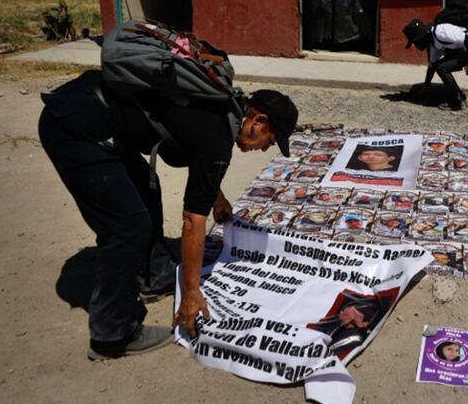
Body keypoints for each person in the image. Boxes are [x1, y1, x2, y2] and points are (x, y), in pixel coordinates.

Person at [38, 70, 297, 360]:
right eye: (270, 141)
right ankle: (112, 334)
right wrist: (190, 295)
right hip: (74, 126)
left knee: (147, 190)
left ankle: (149, 274)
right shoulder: (218, 135)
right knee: (127, 226)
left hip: (97, 114)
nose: (264, 148)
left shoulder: (224, 108)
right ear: (258, 121)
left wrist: (217, 197)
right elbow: (192, 219)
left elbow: (200, 155)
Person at [403, 17, 468, 111]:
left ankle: (457, 101)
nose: (417, 46)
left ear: (421, 37)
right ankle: (458, 97)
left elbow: (467, 39)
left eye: (415, 42)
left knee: (442, 68)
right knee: (440, 66)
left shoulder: (440, 32)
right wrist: (426, 85)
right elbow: (432, 66)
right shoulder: (433, 43)